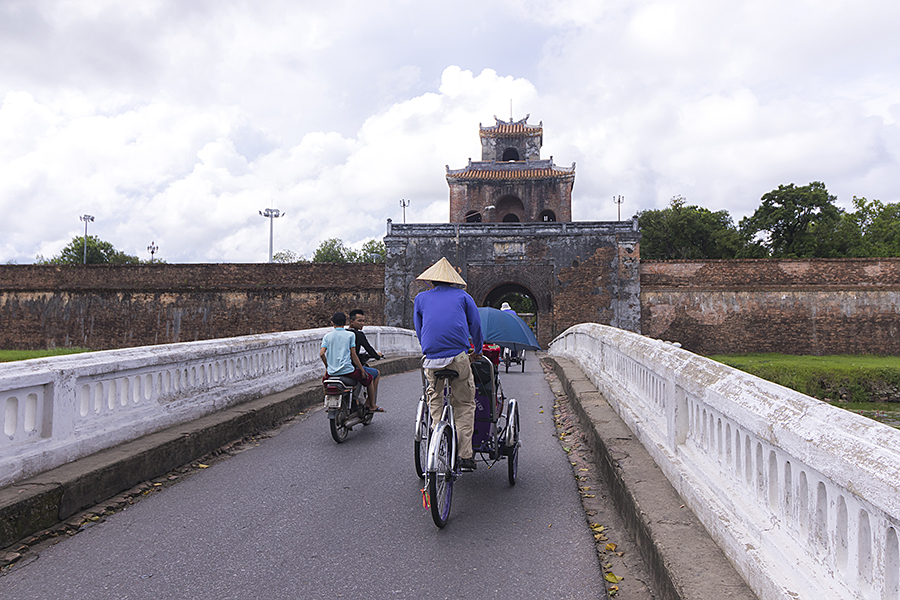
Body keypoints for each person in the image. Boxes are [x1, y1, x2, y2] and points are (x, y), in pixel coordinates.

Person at [413, 257, 483, 472]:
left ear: (431, 281)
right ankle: (465, 456)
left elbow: (419, 328)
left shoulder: (421, 298)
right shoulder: (463, 296)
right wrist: (477, 350)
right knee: (464, 405)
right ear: (453, 280)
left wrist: (430, 347)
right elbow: (476, 326)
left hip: (432, 358)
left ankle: (436, 432)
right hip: (458, 357)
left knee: (434, 398)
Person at [319, 312, 382, 412]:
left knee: (325, 382)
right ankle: (372, 405)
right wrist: (362, 370)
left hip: (332, 371)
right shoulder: (350, 335)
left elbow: (322, 354)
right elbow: (353, 355)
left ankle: (329, 405)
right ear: (345, 323)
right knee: (369, 379)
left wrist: (328, 367)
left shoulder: (327, 336)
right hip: (348, 370)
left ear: (332, 323)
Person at [348, 309, 383, 410]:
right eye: (359, 321)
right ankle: (370, 404)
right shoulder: (359, 335)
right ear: (351, 321)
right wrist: (377, 356)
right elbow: (369, 349)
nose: (362, 323)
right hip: (353, 366)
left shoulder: (344, 333)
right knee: (375, 374)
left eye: (363, 321)